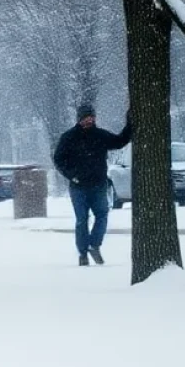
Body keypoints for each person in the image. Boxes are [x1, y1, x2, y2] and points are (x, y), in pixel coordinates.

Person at [53, 103, 132, 266]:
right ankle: (83, 253)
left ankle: (94, 245)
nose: (89, 120)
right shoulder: (68, 137)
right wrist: (72, 175)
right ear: (79, 119)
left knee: (102, 215)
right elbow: (59, 159)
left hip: (98, 184)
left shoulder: (100, 135)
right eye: (86, 117)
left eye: (91, 117)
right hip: (78, 186)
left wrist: (130, 123)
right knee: (82, 219)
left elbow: (119, 141)